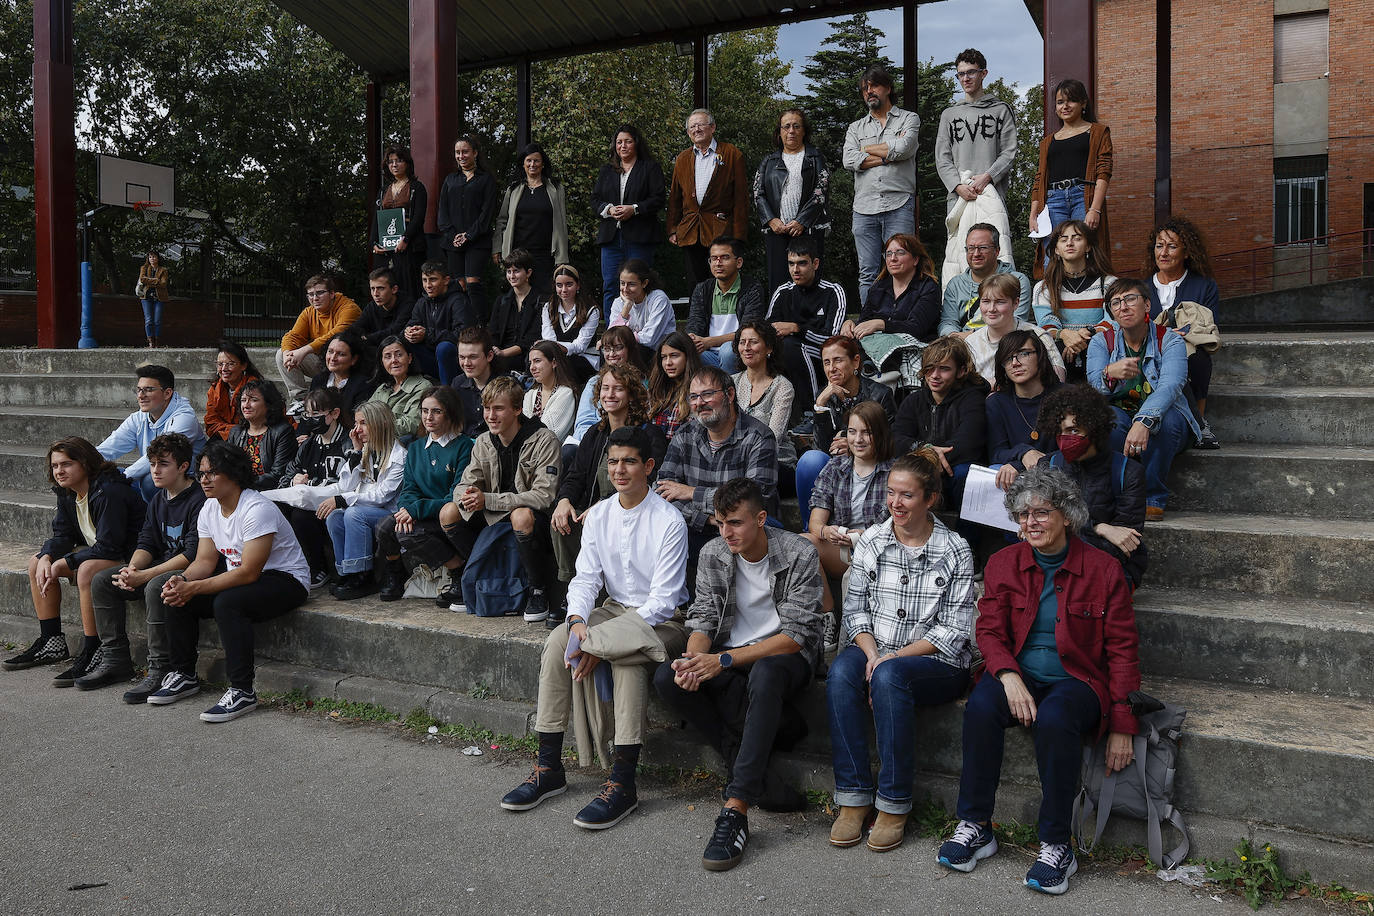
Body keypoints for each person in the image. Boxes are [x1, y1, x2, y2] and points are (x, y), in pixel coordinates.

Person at [938, 465, 1140, 896]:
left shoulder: (1104, 570)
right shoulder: (1003, 563)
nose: (1031, 522)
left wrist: (1123, 724)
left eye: (1042, 512)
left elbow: (1123, 650)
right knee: (981, 706)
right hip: (1019, 672)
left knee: (1056, 717)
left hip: (1077, 679)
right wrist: (1009, 675)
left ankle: (1056, 844)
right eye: (1023, 514)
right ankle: (976, 824)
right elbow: (989, 631)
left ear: (1067, 515)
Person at [500, 426, 689, 830]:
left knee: (626, 660)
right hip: (614, 609)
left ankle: (623, 783)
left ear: (648, 466)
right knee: (557, 642)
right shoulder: (600, 514)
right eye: (613, 461)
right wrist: (577, 622)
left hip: (664, 621)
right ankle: (549, 767)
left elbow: (664, 600)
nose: (619, 469)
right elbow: (585, 579)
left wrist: (598, 643)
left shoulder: (669, 520)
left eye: (629, 461)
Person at [656, 477, 823, 871]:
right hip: (731, 657)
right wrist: (695, 660)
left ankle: (737, 806)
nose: (726, 532)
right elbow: (703, 617)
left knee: (764, 673)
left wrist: (723, 661)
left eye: (735, 523)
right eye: (720, 523)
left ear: (761, 519)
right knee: (667, 679)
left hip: (783, 658)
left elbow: (795, 637)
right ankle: (767, 755)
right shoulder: (714, 553)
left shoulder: (799, 552)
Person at [828, 448, 976, 852]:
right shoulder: (872, 541)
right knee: (841, 673)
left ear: (930, 499)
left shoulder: (955, 549)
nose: (896, 502)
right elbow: (855, 610)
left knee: (890, 676)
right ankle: (853, 798)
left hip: (937, 661)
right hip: (877, 647)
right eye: (891, 493)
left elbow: (955, 631)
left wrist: (891, 659)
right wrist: (872, 654)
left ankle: (893, 803)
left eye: (907, 495)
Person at [147, 440, 311, 723]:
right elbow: (204, 561)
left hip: (286, 579)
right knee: (176, 594)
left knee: (227, 603)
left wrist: (194, 587)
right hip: (245, 575)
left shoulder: (256, 508)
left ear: (234, 474)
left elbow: (249, 572)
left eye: (212, 473)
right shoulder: (209, 508)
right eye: (201, 473)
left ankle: (242, 690)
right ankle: (184, 674)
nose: (204, 480)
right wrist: (182, 580)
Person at [2, 437, 144, 684]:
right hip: (103, 553)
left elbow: (110, 546)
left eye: (66, 464)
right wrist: (48, 556)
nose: (59, 471)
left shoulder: (111, 491)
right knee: (37, 562)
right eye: (55, 465)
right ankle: (51, 641)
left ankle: (94, 649)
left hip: (132, 559)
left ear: (85, 463)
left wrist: (66, 562)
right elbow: (63, 535)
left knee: (86, 569)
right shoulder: (68, 492)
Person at [85, 433, 206, 697]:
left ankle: (161, 668)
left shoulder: (199, 499)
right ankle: (115, 659)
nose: (155, 470)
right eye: (152, 464)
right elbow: (147, 541)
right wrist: (132, 569)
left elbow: (192, 554)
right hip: (164, 563)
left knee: (155, 586)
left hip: (193, 569)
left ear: (184, 466)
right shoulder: (159, 499)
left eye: (163, 464)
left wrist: (145, 575)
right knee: (103, 580)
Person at [551, 365, 667, 626]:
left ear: (632, 393)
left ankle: (605, 595)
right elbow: (576, 475)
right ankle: (572, 593)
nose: (610, 394)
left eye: (618, 388)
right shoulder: (595, 433)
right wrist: (564, 500)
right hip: (592, 509)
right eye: (605, 388)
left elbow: (650, 480)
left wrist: (605, 506)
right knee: (561, 520)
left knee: (596, 520)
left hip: (633, 511)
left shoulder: (650, 434)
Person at [447, 376, 561, 621]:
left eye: (498, 409)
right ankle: (476, 574)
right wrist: (467, 495)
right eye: (487, 408)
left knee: (521, 516)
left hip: (535, 519)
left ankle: (537, 589)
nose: (490, 416)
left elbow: (544, 496)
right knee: (449, 512)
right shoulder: (483, 440)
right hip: (493, 516)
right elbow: (464, 484)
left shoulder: (544, 439)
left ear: (517, 409)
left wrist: (488, 500)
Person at [1087, 278, 1199, 520]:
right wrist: (1109, 373)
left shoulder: (1170, 340)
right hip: (1121, 415)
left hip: (1164, 417)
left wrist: (1144, 421)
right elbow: (1093, 389)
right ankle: (1121, 493)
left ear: (1147, 305)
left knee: (1167, 423)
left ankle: (1151, 497)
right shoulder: (1101, 341)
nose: (1123, 307)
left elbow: (1171, 385)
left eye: (1130, 299)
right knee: (1107, 422)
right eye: (1116, 303)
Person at [656, 366, 779, 566]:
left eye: (707, 394)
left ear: (729, 394)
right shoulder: (684, 434)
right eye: (693, 397)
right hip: (694, 531)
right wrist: (708, 520)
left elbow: (755, 498)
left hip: (745, 535)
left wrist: (692, 492)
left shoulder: (759, 437)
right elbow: (662, 491)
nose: (699, 403)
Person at [1036, 385, 1148, 586]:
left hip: (1109, 568)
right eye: (1060, 432)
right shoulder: (1048, 465)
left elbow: (1123, 543)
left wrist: (1064, 529)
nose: (1065, 439)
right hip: (1057, 565)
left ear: (1094, 428)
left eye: (1074, 430)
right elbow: (1039, 526)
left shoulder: (1128, 472)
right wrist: (1099, 527)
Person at [374, 386, 474, 608]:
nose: (429, 417)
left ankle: (458, 571)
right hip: (421, 513)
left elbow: (454, 495)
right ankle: (396, 572)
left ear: (450, 413)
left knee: (407, 534)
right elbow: (409, 488)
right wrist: (406, 509)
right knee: (384, 527)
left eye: (437, 411)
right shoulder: (416, 447)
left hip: (448, 516)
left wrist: (415, 510)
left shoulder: (464, 446)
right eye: (425, 410)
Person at [802, 401, 895, 636]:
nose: (858, 439)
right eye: (852, 432)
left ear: (880, 434)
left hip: (881, 553)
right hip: (843, 551)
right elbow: (815, 522)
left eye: (866, 432)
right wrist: (826, 532)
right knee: (803, 543)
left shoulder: (895, 472)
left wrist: (863, 536)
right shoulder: (835, 468)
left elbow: (899, 528)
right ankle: (828, 617)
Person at [794, 335, 895, 525]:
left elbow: (889, 443)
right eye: (826, 362)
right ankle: (812, 527)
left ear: (856, 361)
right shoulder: (824, 395)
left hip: (869, 467)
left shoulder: (880, 395)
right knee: (810, 460)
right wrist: (820, 405)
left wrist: (851, 445)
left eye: (838, 360)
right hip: (835, 468)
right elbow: (822, 448)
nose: (831, 368)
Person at [843, 66, 919, 304]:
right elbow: (848, 160)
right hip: (864, 208)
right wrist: (888, 155)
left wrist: (864, 149)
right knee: (868, 272)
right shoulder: (856, 127)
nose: (869, 91)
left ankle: (901, 317)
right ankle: (869, 320)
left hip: (899, 203)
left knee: (903, 268)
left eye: (874, 85)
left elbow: (904, 148)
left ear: (888, 88)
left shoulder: (909, 118)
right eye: (864, 88)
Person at [1146, 215, 1221, 446]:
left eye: (1172, 246)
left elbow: (1208, 325)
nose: (1163, 253)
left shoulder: (1204, 285)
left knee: (1199, 358)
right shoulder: (1141, 288)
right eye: (1159, 246)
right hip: (1149, 349)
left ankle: (1198, 421)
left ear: (1186, 252)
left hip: (1189, 350)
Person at [891, 336, 989, 511]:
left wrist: (931, 459)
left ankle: (965, 528)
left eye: (944, 369)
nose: (935, 375)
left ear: (961, 371)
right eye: (930, 368)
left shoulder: (973, 399)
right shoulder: (914, 400)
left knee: (964, 472)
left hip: (953, 475)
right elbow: (896, 438)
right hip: (921, 472)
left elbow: (968, 443)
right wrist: (926, 449)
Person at [323, 401, 407, 600]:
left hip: (390, 512)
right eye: (356, 423)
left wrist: (343, 500)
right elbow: (346, 485)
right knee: (334, 517)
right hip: (366, 508)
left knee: (353, 514)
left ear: (380, 423)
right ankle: (346, 573)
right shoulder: (366, 450)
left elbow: (382, 497)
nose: (357, 429)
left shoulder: (399, 455)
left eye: (363, 423)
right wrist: (356, 452)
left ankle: (362, 575)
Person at [270, 386, 348, 591]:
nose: (311, 420)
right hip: (306, 500)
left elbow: (351, 482)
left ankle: (317, 567)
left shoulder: (348, 442)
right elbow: (288, 474)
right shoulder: (308, 444)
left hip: (335, 503)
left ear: (334, 413)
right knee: (275, 508)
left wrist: (315, 485)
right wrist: (293, 481)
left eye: (316, 414)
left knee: (301, 516)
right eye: (307, 415)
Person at [1029, 79, 1113, 262]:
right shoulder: (1047, 142)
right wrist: (1033, 213)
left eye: (1071, 100)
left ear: (1083, 103)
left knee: (1086, 253)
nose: (1065, 106)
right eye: (1060, 102)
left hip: (1083, 197)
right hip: (1053, 200)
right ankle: (1053, 283)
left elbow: (1104, 171)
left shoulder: (1098, 132)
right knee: (1053, 256)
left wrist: (1095, 209)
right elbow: (1039, 179)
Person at [766, 238, 848, 419]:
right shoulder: (782, 292)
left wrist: (797, 328)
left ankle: (812, 412)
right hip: (787, 354)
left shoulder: (833, 291)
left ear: (815, 263)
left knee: (792, 346)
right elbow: (767, 330)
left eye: (802, 263)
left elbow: (833, 340)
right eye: (791, 263)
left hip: (825, 354)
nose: (795, 270)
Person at [667, 108, 749, 288]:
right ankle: (697, 309)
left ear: (712, 127)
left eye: (700, 125)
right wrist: (673, 228)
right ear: (688, 132)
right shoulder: (682, 159)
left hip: (722, 230)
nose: (696, 129)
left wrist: (738, 235)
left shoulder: (731, 154)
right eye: (692, 127)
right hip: (690, 231)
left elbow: (741, 198)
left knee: (722, 283)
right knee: (695, 286)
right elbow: (675, 197)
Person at [98, 364, 207, 500]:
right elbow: (111, 446)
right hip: (156, 471)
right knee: (103, 474)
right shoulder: (139, 417)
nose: (141, 396)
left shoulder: (184, 418)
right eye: (139, 390)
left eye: (148, 390)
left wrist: (122, 477)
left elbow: (162, 454)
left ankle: (157, 513)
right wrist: (83, 461)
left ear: (167, 393)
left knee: (150, 481)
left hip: (188, 480)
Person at [756, 108, 832, 295]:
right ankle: (779, 314)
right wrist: (771, 220)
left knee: (809, 282)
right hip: (777, 231)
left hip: (809, 230)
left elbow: (821, 191)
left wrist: (802, 221)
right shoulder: (769, 161)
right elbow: (758, 193)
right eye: (786, 126)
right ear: (780, 132)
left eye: (796, 126)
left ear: (804, 131)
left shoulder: (816, 157)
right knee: (779, 284)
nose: (791, 131)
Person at [934, 49, 1018, 215]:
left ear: (983, 73)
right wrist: (958, 186)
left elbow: (1009, 152)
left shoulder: (1001, 110)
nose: (966, 78)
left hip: (992, 194)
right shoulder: (949, 115)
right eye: (961, 74)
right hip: (958, 198)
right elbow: (942, 158)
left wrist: (987, 177)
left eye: (971, 72)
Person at [592, 123, 666, 312]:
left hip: (640, 237)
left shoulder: (650, 168)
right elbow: (595, 200)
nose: (623, 146)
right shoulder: (607, 170)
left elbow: (658, 199)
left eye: (628, 141)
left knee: (641, 284)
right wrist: (609, 210)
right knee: (611, 285)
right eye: (619, 142)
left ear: (636, 143)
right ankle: (613, 327)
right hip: (611, 238)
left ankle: (643, 327)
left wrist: (634, 209)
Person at [1032, 220, 1117, 380]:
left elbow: (1113, 321)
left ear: (1088, 246)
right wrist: (1065, 335)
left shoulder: (1108, 284)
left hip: (1101, 354)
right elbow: (1046, 326)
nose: (1070, 243)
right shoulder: (1044, 288)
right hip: (1060, 357)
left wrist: (1086, 334)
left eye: (1077, 238)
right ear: (1056, 249)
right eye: (1063, 239)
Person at [986, 330, 1061, 490]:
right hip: (1017, 480)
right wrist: (1024, 453)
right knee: (996, 470)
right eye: (1008, 358)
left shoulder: (1067, 396)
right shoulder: (996, 403)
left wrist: (1027, 462)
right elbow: (996, 453)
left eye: (1024, 354)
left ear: (1040, 356)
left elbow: (1075, 448)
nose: (1015, 363)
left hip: (1061, 474)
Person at [437, 134, 498, 322]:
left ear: (475, 153)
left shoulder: (486, 179)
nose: (461, 156)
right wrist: (453, 235)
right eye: (457, 152)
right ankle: (462, 325)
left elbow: (487, 213)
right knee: (459, 285)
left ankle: (481, 326)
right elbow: (442, 211)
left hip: (478, 240)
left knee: (472, 282)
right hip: (453, 241)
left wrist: (469, 235)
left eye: (465, 152)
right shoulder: (450, 180)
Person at [494, 141, 569, 295]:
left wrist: (562, 257)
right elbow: (502, 220)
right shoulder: (513, 189)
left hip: (545, 253)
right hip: (517, 253)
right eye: (529, 160)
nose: (532, 164)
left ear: (543, 164)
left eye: (536, 160)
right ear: (523, 164)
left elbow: (561, 223)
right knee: (518, 296)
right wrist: (497, 248)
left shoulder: (555, 188)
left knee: (544, 296)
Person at [277, 274, 362, 408]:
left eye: (320, 293)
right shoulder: (309, 312)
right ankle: (300, 400)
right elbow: (292, 336)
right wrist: (288, 353)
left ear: (332, 293)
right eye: (310, 294)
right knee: (281, 354)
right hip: (324, 361)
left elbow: (335, 335)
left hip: (347, 364)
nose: (315, 298)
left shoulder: (349, 309)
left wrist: (304, 350)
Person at [966, 274, 1065, 386]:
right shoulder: (971, 343)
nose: (991, 309)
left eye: (1000, 302)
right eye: (986, 301)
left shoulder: (1039, 336)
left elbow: (1058, 380)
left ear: (1016, 303)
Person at [686, 235, 767, 372]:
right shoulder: (703, 289)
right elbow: (694, 324)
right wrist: (692, 338)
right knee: (686, 353)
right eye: (714, 258)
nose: (718, 263)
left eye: (724, 257)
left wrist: (709, 342)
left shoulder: (752, 288)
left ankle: (731, 385)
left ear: (739, 262)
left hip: (739, 352)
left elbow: (749, 331)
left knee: (727, 351)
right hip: (708, 354)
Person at [843, 233, 941, 342]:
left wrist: (882, 324)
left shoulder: (928, 287)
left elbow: (917, 328)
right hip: (876, 346)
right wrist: (851, 325)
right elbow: (864, 322)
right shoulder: (878, 287)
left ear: (915, 260)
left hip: (916, 347)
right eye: (888, 254)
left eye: (900, 252)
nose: (893, 258)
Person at [939, 224, 1032, 338]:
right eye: (971, 248)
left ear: (997, 251)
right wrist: (953, 337)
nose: (976, 254)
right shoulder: (956, 284)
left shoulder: (1017, 281)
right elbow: (947, 322)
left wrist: (971, 336)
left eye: (983, 247)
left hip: (1002, 343)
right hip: (959, 344)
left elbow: (1016, 323)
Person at [566, 325, 650, 448]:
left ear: (630, 349)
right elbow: (583, 423)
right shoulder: (594, 382)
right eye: (606, 349)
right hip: (593, 443)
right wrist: (599, 443)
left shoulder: (644, 383)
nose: (611, 354)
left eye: (618, 348)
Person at [731, 320, 796, 474]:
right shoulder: (731, 382)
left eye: (753, 342)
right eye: (742, 342)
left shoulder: (782, 387)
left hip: (774, 462)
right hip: (733, 459)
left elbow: (773, 437)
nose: (746, 347)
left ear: (769, 348)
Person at [405, 259, 475, 387]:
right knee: (404, 343)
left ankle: (447, 392)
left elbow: (463, 335)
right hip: (432, 359)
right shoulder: (422, 302)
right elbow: (413, 323)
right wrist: (409, 332)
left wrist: (427, 335)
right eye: (424, 280)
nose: (428, 285)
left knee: (444, 348)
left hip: (457, 361)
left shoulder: (459, 301)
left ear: (446, 280)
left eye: (433, 279)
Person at [371, 145, 428, 300]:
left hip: (409, 246)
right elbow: (377, 218)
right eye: (391, 162)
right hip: (386, 247)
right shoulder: (383, 190)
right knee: (385, 287)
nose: (394, 165)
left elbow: (418, 218)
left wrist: (406, 239)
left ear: (407, 163)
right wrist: (374, 243)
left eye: (399, 160)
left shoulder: (417, 187)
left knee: (409, 288)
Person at [228, 379, 296, 491]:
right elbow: (227, 467)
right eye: (243, 400)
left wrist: (241, 483)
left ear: (269, 404)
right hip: (238, 491)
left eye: (253, 400)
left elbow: (278, 474)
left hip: (270, 493)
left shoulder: (283, 431)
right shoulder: (236, 432)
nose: (246, 405)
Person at [489, 249, 545, 375]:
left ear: (528, 273)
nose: (512, 276)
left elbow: (533, 338)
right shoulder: (501, 301)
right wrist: (494, 349)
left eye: (516, 271)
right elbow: (493, 332)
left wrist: (503, 353)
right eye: (508, 271)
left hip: (527, 356)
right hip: (500, 354)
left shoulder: (540, 300)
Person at [365, 335, 432, 439]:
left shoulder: (423, 386)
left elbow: (413, 424)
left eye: (399, 355)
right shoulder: (382, 389)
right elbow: (365, 415)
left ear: (409, 358)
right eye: (388, 357)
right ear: (382, 362)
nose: (394, 360)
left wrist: (377, 426)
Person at [542, 264, 601, 379]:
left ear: (578, 285)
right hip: (556, 356)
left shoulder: (591, 310)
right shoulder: (549, 307)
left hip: (584, 357)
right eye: (559, 285)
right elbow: (548, 338)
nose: (564, 290)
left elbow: (580, 346)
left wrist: (557, 347)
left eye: (569, 284)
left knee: (565, 364)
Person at [607, 258, 676, 358]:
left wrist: (618, 340)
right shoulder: (619, 302)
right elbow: (611, 336)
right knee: (606, 350)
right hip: (631, 348)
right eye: (622, 283)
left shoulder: (658, 299)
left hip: (659, 352)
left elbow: (649, 339)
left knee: (636, 350)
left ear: (644, 283)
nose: (625, 289)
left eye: (631, 284)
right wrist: (626, 308)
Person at [647, 331, 701, 442]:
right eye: (663, 357)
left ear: (688, 356)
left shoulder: (699, 391)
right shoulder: (656, 389)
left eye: (674, 356)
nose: (668, 363)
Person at [205, 341, 263, 442]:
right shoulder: (214, 390)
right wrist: (232, 430)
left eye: (230, 364)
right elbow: (211, 424)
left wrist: (228, 430)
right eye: (220, 364)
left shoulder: (257, 389)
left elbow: (257, 424)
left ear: (243, 366)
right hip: (225, 436)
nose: (224, 369)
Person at [349, 267, 415, 353]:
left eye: (381, 288)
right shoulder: (372, 306)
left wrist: (367, 338)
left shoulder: (408, 305)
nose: (375, 294)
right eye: (372, 289)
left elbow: (395, 331)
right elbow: (356, 327)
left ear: (394, 289)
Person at [308, 329, 372, 417]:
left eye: (341, 354)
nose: (333, 358)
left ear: (354, 359)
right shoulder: (318, 380)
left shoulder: (363, 385)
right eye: (330, 351)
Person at [524, 341, 578, 442]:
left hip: (552, 450)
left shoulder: (566, 394)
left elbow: (548, 435)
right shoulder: (530, 395)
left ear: (554, 363)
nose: (532, 367)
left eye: (537, 361)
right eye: (530, 362)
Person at [453, 325, 502, 435]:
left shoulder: (506, 385)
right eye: (462, 357)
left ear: (489, 356)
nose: (466, 363)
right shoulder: (457, 384)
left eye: (473, 357)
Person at [136, 251, 170, 348]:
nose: (152, 259)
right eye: (150, 257)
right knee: (148, 320)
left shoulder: (163, 270)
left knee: (157, 320)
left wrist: (149, 281)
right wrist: (156, 280)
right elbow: (142, 279)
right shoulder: (144, 268)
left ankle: (157, 341)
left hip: (159, 298)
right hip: (146, 297)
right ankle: (150, 342)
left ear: (158, 258)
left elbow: (163, 283)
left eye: (154, 257)